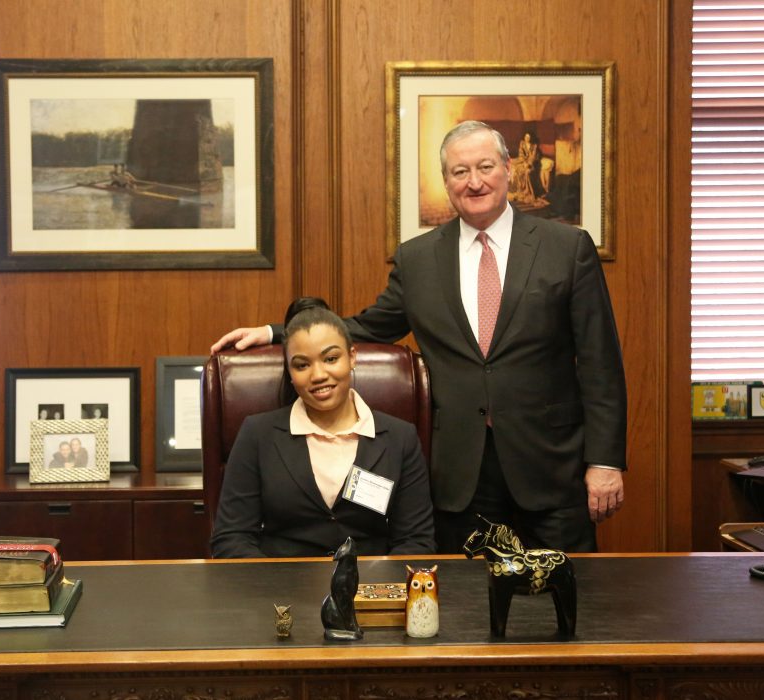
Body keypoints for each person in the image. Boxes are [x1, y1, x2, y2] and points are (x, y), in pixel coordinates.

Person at [211, 120, 627, 553]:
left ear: (507, 169)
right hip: (460, 476)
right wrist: (276, 333)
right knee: (465, 610)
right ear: (446, 182)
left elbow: (602, 364)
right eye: (459, 172)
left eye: (485, 166)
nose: (475, 181)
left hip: (552, 468)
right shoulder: (419, 259)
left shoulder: (566, 247)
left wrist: (605, 461)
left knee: (566, 603)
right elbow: (366, 326)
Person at [210, 302, 435, 558]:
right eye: (302, 365)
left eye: (330, 359)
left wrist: (377, 594)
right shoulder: (257, 434)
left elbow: (416, 541)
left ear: (352, 357)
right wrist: (275, 591)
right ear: (290, 372)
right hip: (281, 591)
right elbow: (231, 538)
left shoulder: (400, 438)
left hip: (371, 588)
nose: (318, 375)